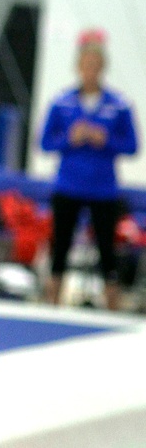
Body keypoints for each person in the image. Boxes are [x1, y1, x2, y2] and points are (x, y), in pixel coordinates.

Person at [40, 30, 139, 308]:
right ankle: (52, 300)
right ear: (79, 66)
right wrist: (69, 139)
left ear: (102, 68)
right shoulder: (62, 103)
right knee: (59, 246)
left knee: (107, 250)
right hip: (68, 185)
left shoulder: (118, 105)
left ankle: (112, 303)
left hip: (103, 188)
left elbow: (132, 146)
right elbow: (46, 142)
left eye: (96, 65)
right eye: (86, 64)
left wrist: (105, 140)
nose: (91, 70)